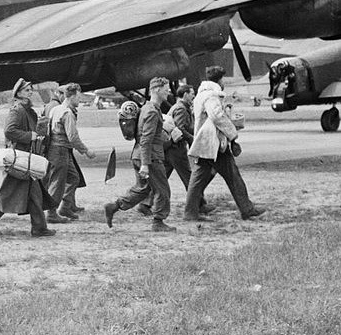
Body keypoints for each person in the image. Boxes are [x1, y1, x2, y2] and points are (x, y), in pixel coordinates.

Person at [0, 78, 56, 239]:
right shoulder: (17, 110)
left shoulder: (25, 109)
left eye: (31, 90)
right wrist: (29, 136)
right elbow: (9, 131)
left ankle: (39, 227)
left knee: (35, 193)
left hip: (25, 158)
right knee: (7, 193)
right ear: (18, 93)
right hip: (18, 160)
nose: (30, 92)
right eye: (26, 90)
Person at [184, 66, 266, 221]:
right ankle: (246, 209)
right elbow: (216, 116)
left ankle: (191, 212)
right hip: (213, 144)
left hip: (208, 145)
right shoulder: (211, 96)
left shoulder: (202, 95)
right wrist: (232, 133)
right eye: (223, 79)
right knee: (231, 176)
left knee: (201, 179)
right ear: (219, 80)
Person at [104, 77, 176, 232]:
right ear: (156, 89)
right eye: (166, 88)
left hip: (139, 155)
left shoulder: (147, 108)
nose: (168, 91)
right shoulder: (151, 111)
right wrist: (145, 164)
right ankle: (158, 222)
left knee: (143, 189)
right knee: (163, 190)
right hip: (150, 157)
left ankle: (114, 206)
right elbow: (146, 139)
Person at [137, 85, 213, 216]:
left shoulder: (180, 107)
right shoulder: (181, 109)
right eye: (191, 93)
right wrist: (192, 140)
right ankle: (199, 205)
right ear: (184, 95)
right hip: (176, 149)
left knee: (161, 178)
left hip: (169, 148)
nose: (193, 96)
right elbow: (180, 128)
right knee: (189, 178)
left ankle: (144, 204)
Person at [45, 83, 96, 223]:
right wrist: (86, 151)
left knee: (73, 178)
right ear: (72, 96)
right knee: (58, 183)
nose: (80, 100)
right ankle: (51, 213)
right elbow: (73, 137)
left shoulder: (56, 109)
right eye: (78, 97)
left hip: (57, 150)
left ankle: (65, 207)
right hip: (60, 150)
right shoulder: (67, 113)